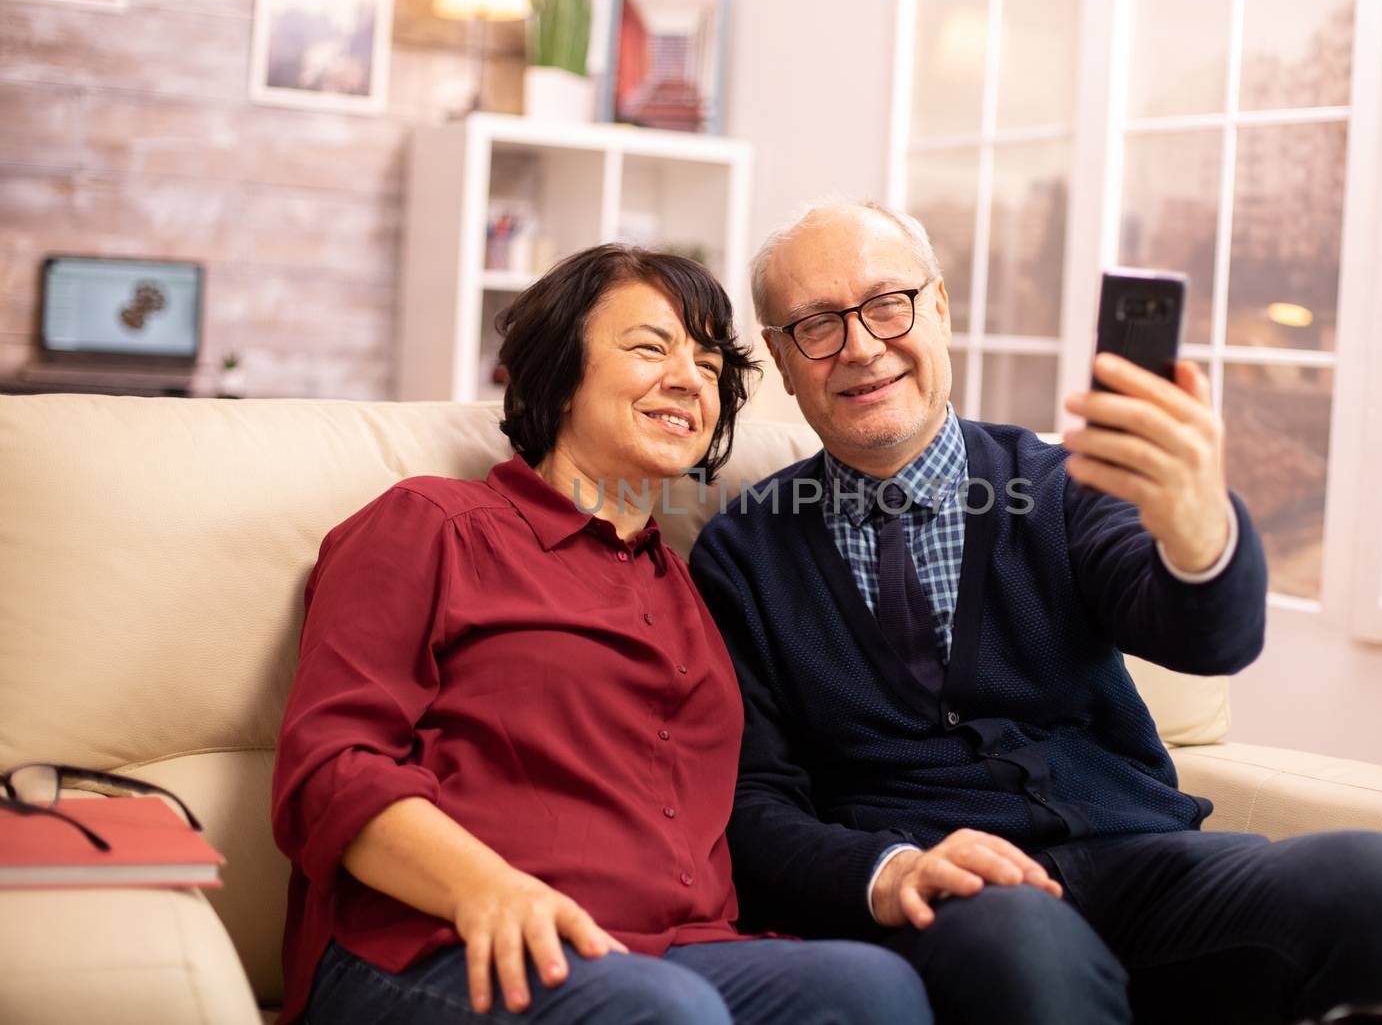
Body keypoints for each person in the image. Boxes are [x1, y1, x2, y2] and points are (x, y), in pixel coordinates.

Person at [689, 203, 1382, 1025]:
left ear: (940, 306)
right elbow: (751, 801)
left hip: (1141, 863)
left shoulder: (1062, 485)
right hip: (956, 898)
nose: (862, 346)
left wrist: (1201, 527)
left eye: (888, 304)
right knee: (1023, 938)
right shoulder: (743, 555)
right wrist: (890, 868)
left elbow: (1208, 635)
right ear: (780, 354)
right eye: (817, 325)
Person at [271, 244, 933, 1025]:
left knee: (872, 989)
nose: (691, 377)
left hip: (671, 949)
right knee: (665, 1010)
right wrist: (490, 887)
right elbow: (333, 769)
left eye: (710, 360)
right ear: (558, 376)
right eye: (651, 346)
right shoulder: (434, 525)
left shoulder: (691, 584)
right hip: (439, 940)